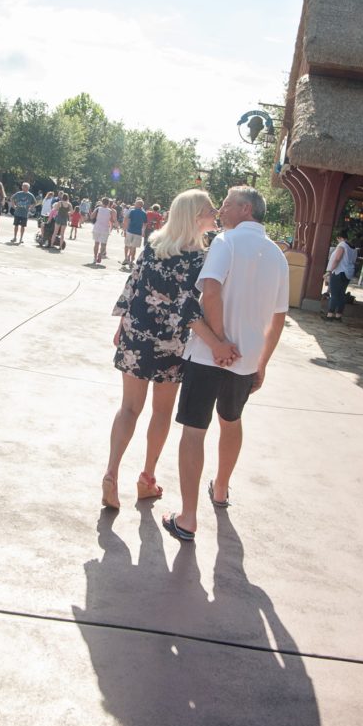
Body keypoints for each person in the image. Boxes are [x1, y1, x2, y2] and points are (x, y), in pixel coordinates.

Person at [162, 186, 289, 542]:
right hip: (246, 359)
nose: (222, 210)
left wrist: (217, 343)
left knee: (194, 430)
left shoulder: (226, 243)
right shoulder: (277, 256)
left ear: (246, 209)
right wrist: (262, 361)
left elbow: (211, 291)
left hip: (208, 355)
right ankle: (220, 488)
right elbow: (278, 317)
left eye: (229, 204)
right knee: (231, 421)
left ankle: (188, 518)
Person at [102, 189, 237, 510]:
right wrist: (217, 344)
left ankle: (111, 473)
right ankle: (146, 478)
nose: (215, 212)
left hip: (136, 332)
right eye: (209, 209)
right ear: (194, 217)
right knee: (161, 412)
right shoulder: (199, 259)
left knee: (129, 408)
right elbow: (187, 309)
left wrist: (121, 325)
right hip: (171, 341)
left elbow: (132, 286)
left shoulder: (152, 246)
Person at [323, 229, 357, 321]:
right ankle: (338, 315)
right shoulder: (353, 247)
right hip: (348, 273)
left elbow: (337, 259)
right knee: (341, 294)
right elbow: (353, 261)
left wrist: (329, 270)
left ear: (339, 237)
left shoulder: (342, 245)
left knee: (334, 294)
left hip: (339, 272)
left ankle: (330, 315)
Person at [123, 197, 148, 269]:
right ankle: (131, 261)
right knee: (133, 248)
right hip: (138, 232)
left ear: (139, 205)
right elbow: (145, 224)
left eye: (136, 204)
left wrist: (125, 229)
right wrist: (143, 231)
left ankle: (126, 259)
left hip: (130, 231)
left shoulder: (132, 211)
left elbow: (126, 220)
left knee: (127, 245)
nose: (135, 205)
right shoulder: (144, 213)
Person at [91, 197, 113, 264]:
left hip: (97, 227)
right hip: (105, 229)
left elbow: (92, 217)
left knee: (96, 243)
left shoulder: (98, 209)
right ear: (108, 203)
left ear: (102, 202)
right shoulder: (110, 211)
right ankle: (100, 254)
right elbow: (112, 220)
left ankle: (95, 258)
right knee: (103, 244)